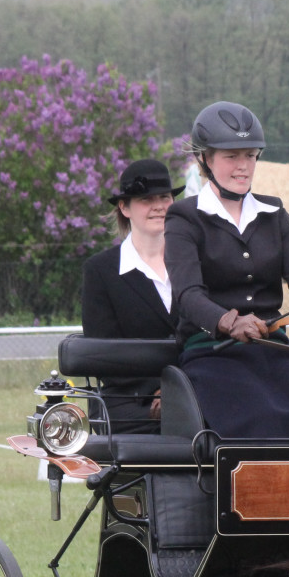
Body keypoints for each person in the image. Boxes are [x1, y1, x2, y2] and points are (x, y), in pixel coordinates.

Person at [164, 101, 289, 440]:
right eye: (231, 156)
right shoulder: (184, 218)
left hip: (276, 350)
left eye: (250, 155)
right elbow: (187, 294)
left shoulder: (275, 214)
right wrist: (229, 322)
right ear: (205, 159)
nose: (243, 166)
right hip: (212, 354)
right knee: (261, 421)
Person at [81, 158, 184, 434]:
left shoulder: (195, 262)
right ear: (124, 207)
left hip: (195, 390)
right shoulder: (100, 271)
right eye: (146, 199)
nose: (158, 206)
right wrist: (157, 390)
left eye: (164, 197)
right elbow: (104, 353)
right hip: (129, 402)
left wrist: (178, 389)